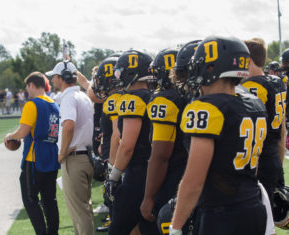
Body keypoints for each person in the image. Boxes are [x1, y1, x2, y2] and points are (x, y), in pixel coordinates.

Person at [170, 36, 268, 235]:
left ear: (210, 68)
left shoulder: (206, 108)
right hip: (254, 207)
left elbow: (193, 180)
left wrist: (175, 227)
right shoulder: (255, 103)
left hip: (222, 215)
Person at [140, 47, 190, 234]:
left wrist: (149, 196)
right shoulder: (195, 96)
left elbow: (160, 156)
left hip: (172, 178)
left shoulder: (165, 100)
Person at [3, 72, 60, 235]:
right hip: (51, 155)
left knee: (30, 199)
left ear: (32, 85)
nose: (27, 90)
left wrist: (9, 137)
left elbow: (23, 132)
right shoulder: (54, 104)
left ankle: (41, 232)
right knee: (50, 199)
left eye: (27, 87)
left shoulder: (32, 104)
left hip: (35, 158)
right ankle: (52, 232)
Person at [107, 50, 153, 234]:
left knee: (118, 229)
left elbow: (127, 145)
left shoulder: (132, 99)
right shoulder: (155, 95)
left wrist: (114, 176)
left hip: (138, 173)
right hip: (156, 171)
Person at [47, 60, 94, 235]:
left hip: (74, 158)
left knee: (79, 214)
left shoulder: (69, 98)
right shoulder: (83, 96)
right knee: (84, 210)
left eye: (55, 77)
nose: (52, 81)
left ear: (62, 78)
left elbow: (68, 126)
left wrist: (62, 152)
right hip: (86, 156)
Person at [241, 38, 286, 213]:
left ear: (249, 60)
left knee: (255, 218)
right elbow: (282, 130)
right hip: (273, 154)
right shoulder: (277, 82)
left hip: (257, 159)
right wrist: (279, 164)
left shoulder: (252, 86)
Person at [92, 56, 122, 232]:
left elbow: (117, 135)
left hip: (117, 160)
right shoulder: (119, 98)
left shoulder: (113, 100)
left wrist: (112, 169)